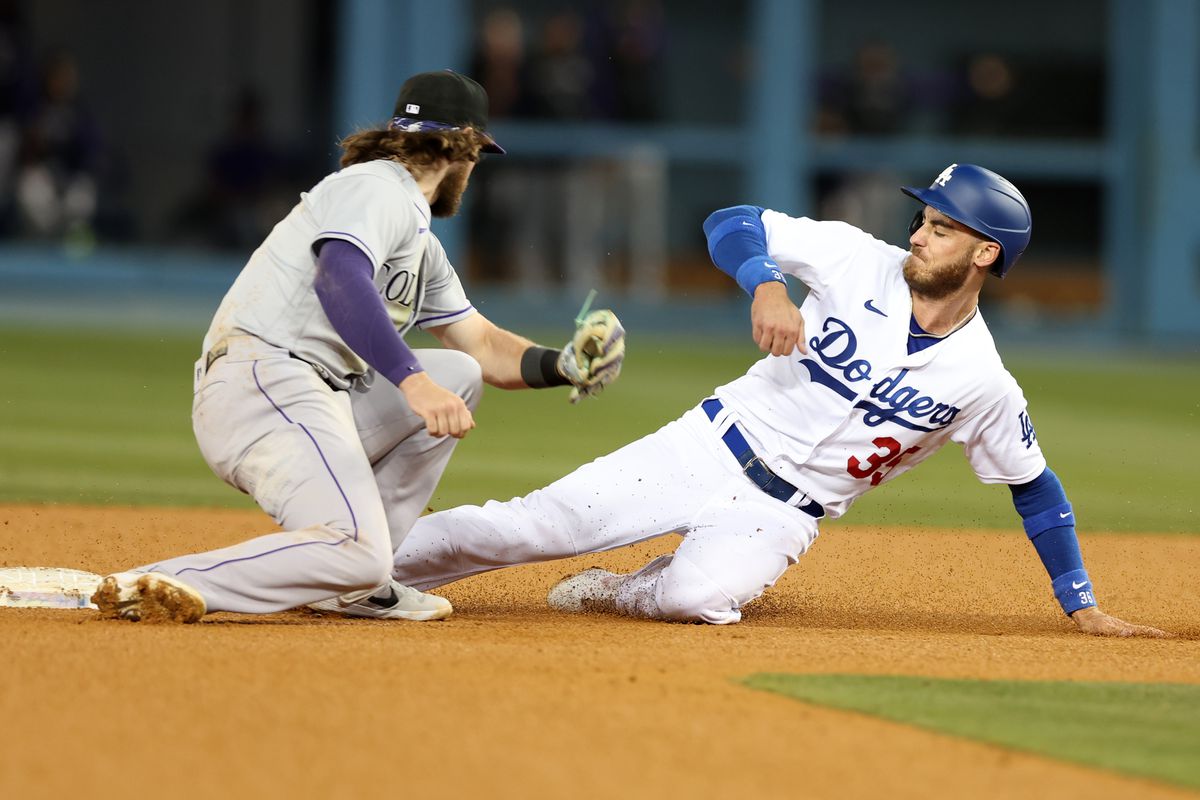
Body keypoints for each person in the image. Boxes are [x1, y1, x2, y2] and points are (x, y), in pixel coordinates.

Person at [391, 163, 1167, 637]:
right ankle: (356, 562)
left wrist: (1080, 603)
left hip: (784, 511)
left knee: (696, 599)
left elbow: (1035, 487)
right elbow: (730, 221)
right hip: (708, 443)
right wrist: (766, 283)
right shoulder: (860, 261)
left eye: (942, 226)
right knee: (528, 528)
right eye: (924, 219)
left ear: (985, 253)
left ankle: (629, 591)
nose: (921, 235)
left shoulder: (983, 381)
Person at [91, 70, 625, 624]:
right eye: (479, 155)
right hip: (264, 381)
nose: (475, 170)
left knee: (459, 375)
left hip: (312, 394)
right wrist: (411, 380)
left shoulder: (417, 237)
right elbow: (339, 277)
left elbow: (484, 346)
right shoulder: (376, 188)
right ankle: (168, 581)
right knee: (356, 547)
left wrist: (565, 364)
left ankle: (357, 586)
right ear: (464, 147)